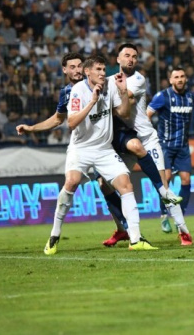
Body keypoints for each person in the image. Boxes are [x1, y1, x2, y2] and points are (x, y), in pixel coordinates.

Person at [15, 52, 135, 251]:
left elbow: (121, 106)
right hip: (82, 147)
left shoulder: (101, 83)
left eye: (80, 66)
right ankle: (57, 235)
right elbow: (58, 119)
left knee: (111, 184)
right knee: (81, 183)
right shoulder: (68, 92)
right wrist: (32, 128)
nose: (77, 70)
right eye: (72, 67)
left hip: (106, 143)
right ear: (64, 70)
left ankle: (127, 228)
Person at [47, 54, 156, 253]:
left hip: (104, 149)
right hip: (81, 148)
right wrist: (92, 102)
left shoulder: (111, 85)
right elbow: (71, 123)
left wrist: (123, 92)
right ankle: (54, 235)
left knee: (126, 185)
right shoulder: (77, 91)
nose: (102, 73)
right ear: (87, 72)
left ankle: (135, 239)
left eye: (104, 69)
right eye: (98, 69)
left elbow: (124, 113)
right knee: (71, 182)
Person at [103, 43, 189, 247]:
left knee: (163, 186)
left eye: (134, 56)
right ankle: (122, 229)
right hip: (125, 141)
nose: (131, 59)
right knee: (105, 185)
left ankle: (183, 230)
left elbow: (126, 103)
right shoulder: (109, 81)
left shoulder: (138, 79)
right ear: (118, 59)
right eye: (127, 55)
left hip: (146, 139)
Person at [147, 66, 194, 231]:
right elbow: (147, 114)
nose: (180, 79)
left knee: (186, 180)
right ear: (170, 80)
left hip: (183, 146)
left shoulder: (191, 97)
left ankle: (179, 217)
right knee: (166, 179)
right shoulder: (162, 96)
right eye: (176, 77)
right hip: (165, 146)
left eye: (182, 76)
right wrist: (149, 136)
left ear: (186, 79)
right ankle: (163, 215)